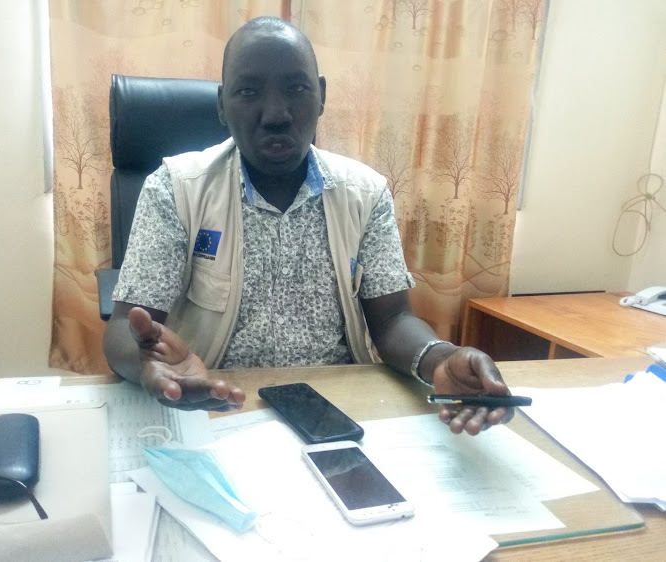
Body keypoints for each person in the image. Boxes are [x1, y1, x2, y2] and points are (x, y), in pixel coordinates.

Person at [103, 16, 513, 436]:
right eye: (248, 92)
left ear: (321, 97)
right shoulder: (175, 189)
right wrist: (149, 365)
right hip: (217, 406)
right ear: (222, 106)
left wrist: (439, 359)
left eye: (297, 89)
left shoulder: (365, 193)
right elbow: (122, 330)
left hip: (335, 409)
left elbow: (391, 321)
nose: (277, 114)